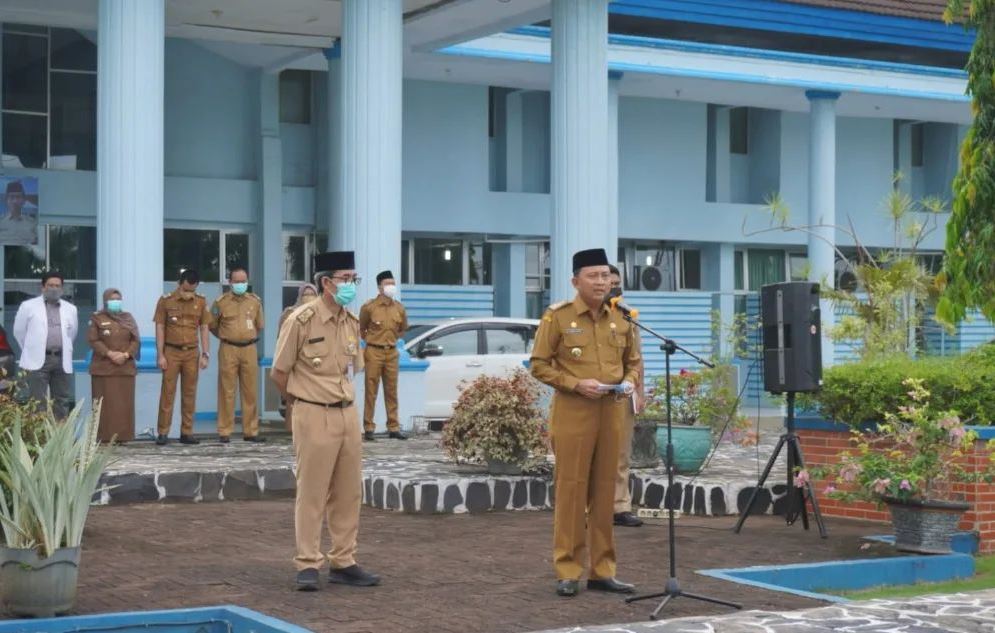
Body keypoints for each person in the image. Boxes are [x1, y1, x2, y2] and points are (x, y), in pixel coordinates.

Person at [530, 248, 641, 598]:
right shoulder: (557, 318)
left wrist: (629, 380)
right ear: (575, 281)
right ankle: (568, 569)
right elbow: (539, 364)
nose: (601, 282)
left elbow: (634, 361)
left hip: (612, 412)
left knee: (606, 492)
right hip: (574, 411)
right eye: (593, 276)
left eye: (605, 276)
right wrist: (576, 384)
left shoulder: (623, 317)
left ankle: (602, 571)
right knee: (572, 490)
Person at [271, 251, 380, 592]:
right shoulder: (301, 320)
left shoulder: (350, 321)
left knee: (348, 492)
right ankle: (307, 562)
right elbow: (278, 372)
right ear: (327, 282)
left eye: (353, 279)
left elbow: (352, 368)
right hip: (312, 412)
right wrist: (300, 402)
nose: (351, 285)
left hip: (347, 413)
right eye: (346, 279)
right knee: (313, 491)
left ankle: (343, 561)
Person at [154, 269, 211, 446]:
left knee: (189, 393)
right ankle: (163, 432)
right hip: (171, 351)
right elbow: (160, 327)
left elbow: (204, 328)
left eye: (192, 290)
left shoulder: (201, 301)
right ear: (179, 284)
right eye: (186, 290)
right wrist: (160, 354)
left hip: (192, 352)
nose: (188, 294)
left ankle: (187, 432)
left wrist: (205, 354)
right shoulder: (166, 300)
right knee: (168, 393)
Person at [608, 265, 645, 528]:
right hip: (591, 396)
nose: (613, 288)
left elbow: (636, 358)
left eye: (617, 283)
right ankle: (591, 509)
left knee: (621, 454)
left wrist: (639, 392)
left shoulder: (627, 316)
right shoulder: (578, 316)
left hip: (622, 395)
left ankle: (620, 507)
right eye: (609, 283)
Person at [210, 267, 265, 444]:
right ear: (230, 282)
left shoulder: (255, 301)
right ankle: (224, 431)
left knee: (250, 391)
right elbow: (212, 325)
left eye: (243, 281)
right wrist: (227, 336)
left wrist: (244, 336)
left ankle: (251, 431)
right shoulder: (221, 302)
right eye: (237, 281)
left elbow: (259, 325)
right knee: (227, 391)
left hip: (249, 349)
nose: (241, 284)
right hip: (228, 349)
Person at [12, 271, 78, 419]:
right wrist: (32, 349)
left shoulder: (70, 309)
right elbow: (19, 332)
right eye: (50, 285)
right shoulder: (28, 306)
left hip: (61, 360)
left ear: (62, 288)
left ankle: (60, 437)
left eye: (57, 285)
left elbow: (72, 334)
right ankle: (39, 438)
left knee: (61, 401)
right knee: (37, 402)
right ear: (43, 287)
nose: (54, 288)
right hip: (37, 362)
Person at [358, 270, 409, 441]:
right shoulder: (369, 307)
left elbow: (402, 330)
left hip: (392, 352)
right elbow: (362, 329)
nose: (391, 287)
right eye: (387, 284)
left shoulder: (399, 308)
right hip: (373, 351)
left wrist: (391, 340)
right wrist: (373, 341)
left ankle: (393, 427)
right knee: (371, 390)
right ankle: (369, 427)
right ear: (379, 287)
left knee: (391, 390)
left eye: (393, 283)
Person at [87, 289, 140, 443]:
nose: (116, 301)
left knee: (124, 405)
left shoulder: (128, 318)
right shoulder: (97, 318)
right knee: (105, 407)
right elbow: (93, 340)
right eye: (112, 299)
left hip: (125, 368)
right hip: (104, 368)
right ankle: (103, 437)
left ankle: (123, 437)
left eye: (118, 299)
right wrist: (110, 354)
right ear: (105, 301)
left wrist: (125, 355)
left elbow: (135, 340)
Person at [278, 283, 318, 433]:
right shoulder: (290, 313)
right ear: (300, 296)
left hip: (314, 361)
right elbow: (281, 338)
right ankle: (291, 431)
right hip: (294, 361)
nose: (309, 297)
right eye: (305, 294)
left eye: (312, 294)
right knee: (294, 398)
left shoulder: (320, 313)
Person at [0, 180, 38, 245]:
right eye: (11, 197)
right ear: (6, 200)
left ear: (24, 200)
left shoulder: (33, 223)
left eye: (18, 197)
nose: (15, 201)